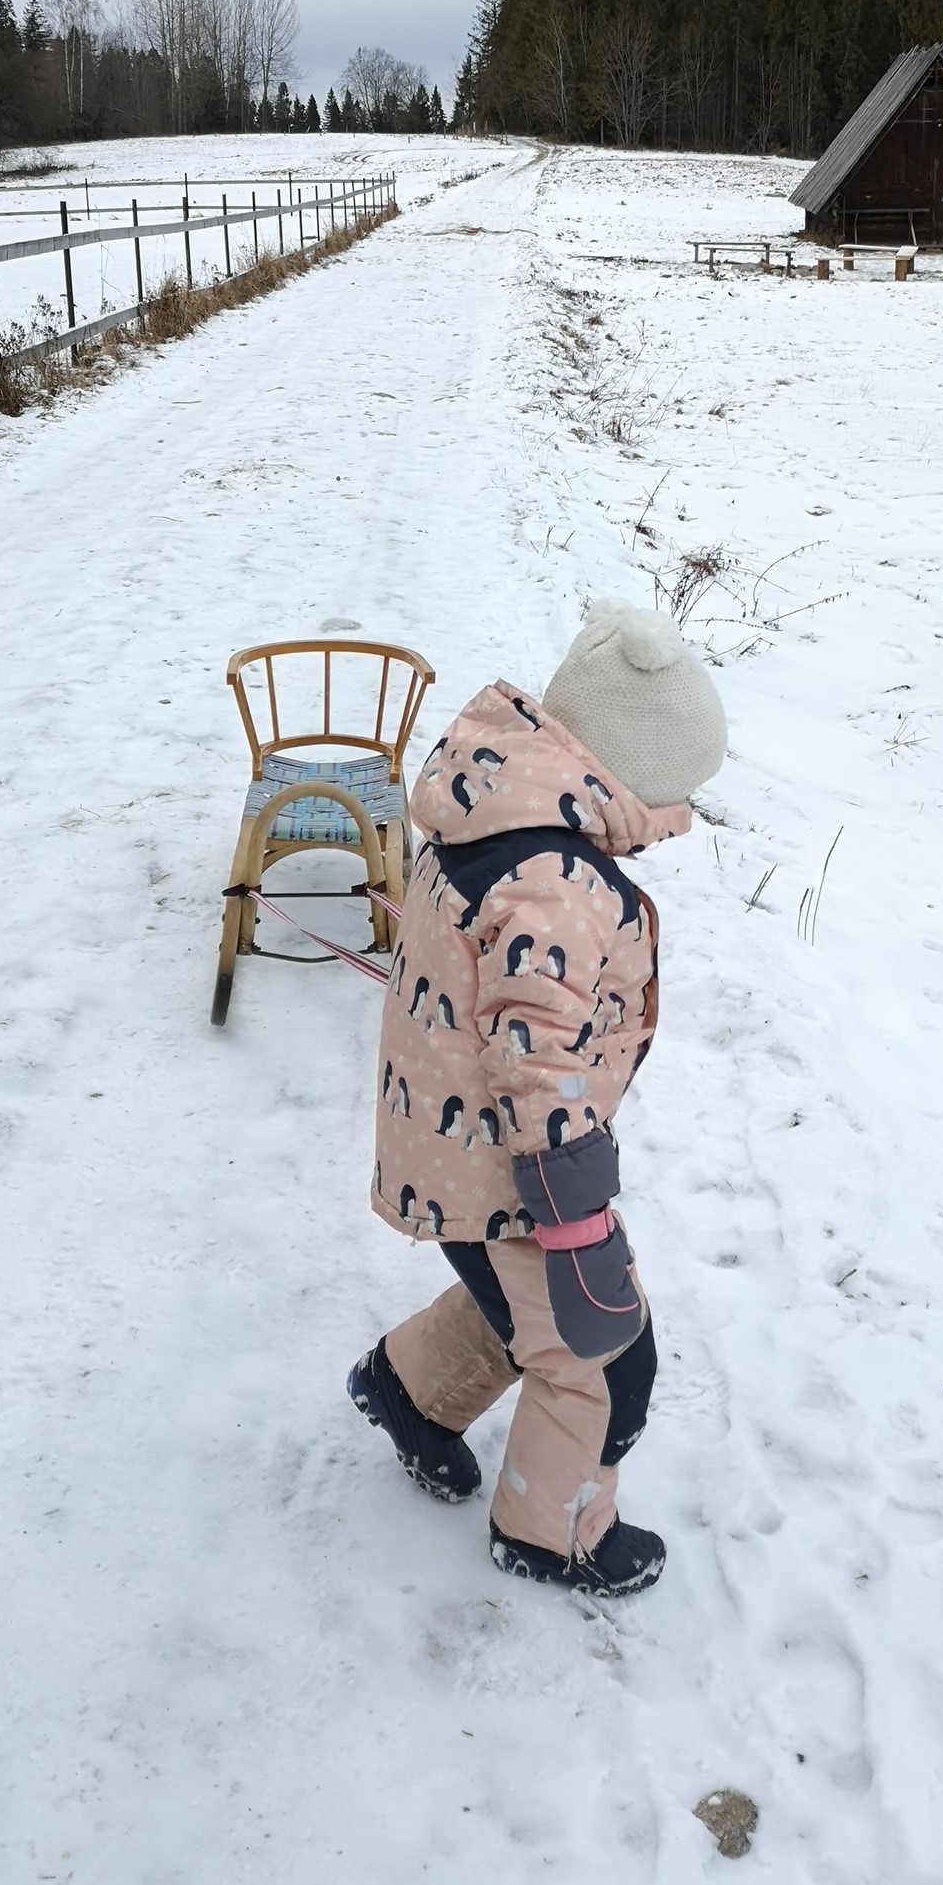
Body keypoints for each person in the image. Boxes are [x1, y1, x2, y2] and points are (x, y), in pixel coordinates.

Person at [348, 601, 726, 1599]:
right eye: (667, 798)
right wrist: (574, 1214)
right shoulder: (556, 887)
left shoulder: (494, 804)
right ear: (627, 772)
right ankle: (551, 1536)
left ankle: (407, 1391)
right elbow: (534, 1052)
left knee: (523, 1312)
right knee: (601, 1354)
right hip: (511, 1166)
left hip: (450, 1145)